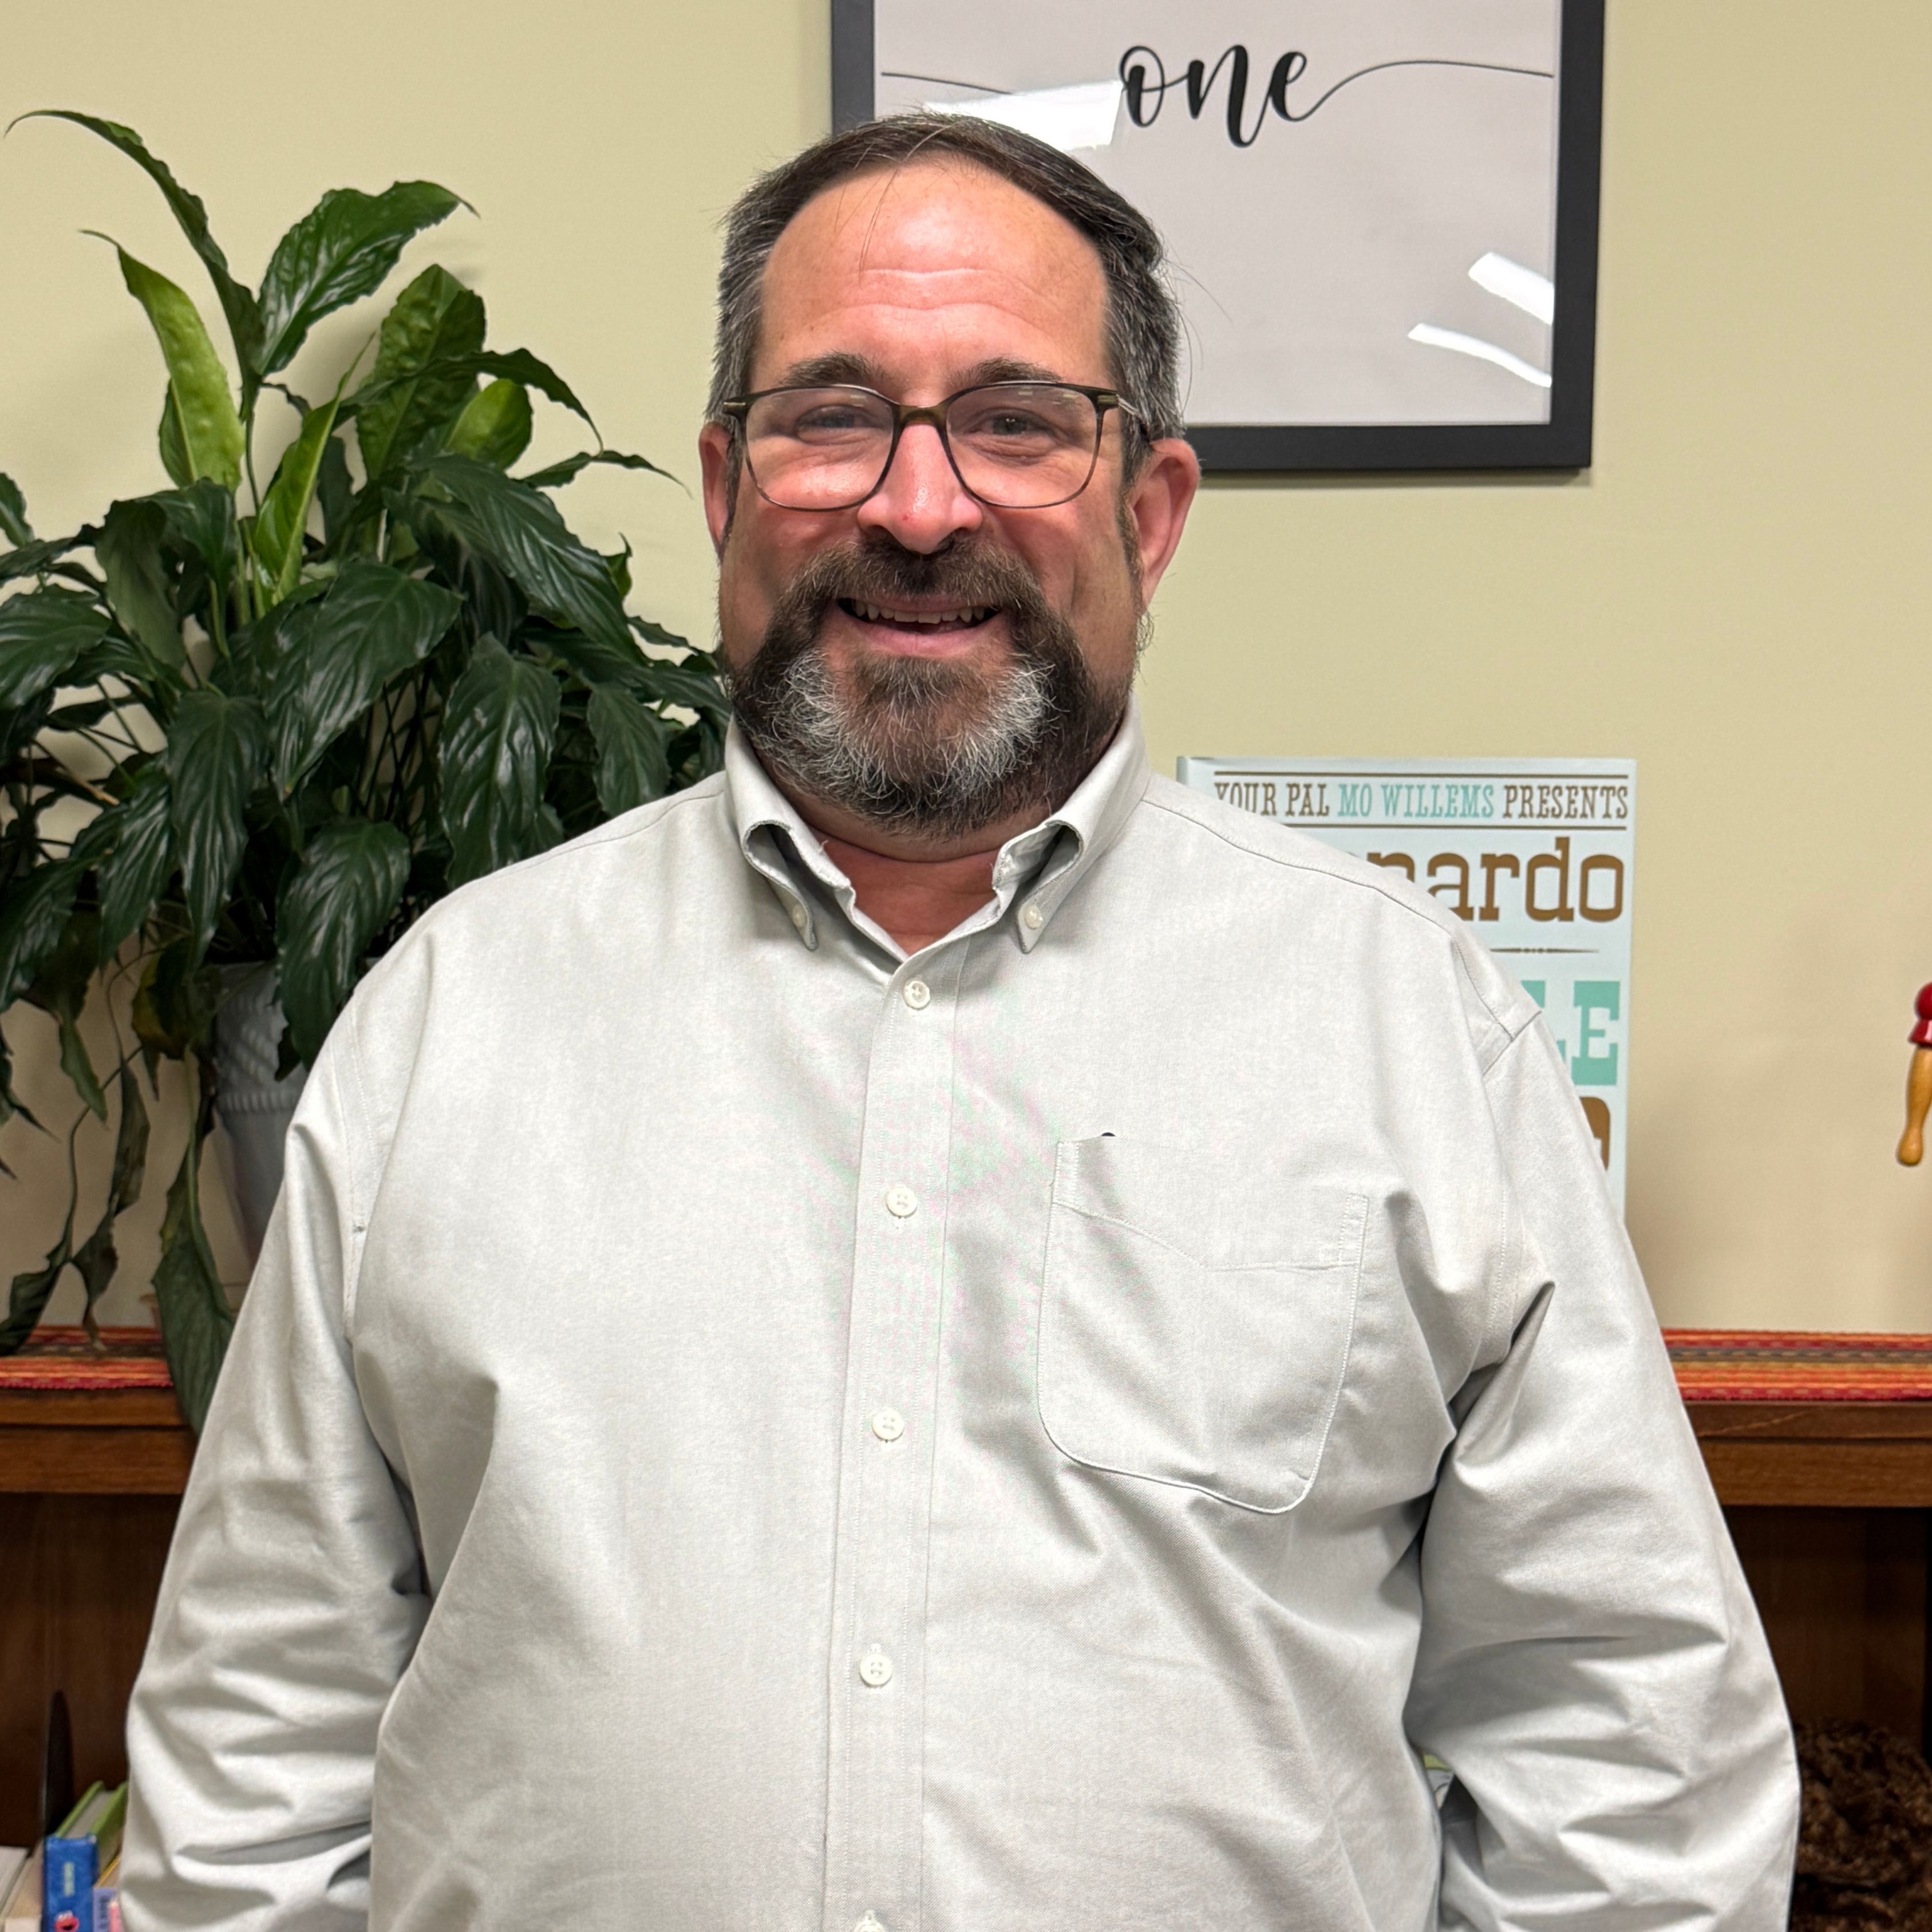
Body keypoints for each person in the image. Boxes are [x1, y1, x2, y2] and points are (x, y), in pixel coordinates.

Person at [123, 114, 1797, 1931]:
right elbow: (255, 1773)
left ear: (1150, 512)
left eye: (1016, 422)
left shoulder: (1408, 1032)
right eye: (834, 417)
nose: (919, 510)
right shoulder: (452, 1026)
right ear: (724, 486)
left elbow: (1636, 1777)